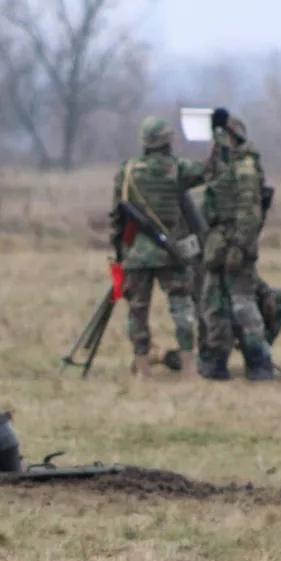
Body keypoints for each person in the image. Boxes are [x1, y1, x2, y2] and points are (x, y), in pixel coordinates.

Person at [111, 116, 206, 378]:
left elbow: (117, 216)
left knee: (137, 313)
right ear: (167, 141)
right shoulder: (179, 169)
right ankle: (189, 369)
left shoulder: (127, 170)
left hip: (136, 255)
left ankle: (143, 370)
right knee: (182, 309)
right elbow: (209, 170)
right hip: (170, 253)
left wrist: (119, 252)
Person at [198, 109, 273, 381]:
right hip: (217, 244)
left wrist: (239, 248)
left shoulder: (245, 168)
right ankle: (215, 363)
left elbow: (249, 212)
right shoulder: (221, 164)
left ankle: (260, 362)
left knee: (243, 304)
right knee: (213, 304)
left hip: (236, 244)